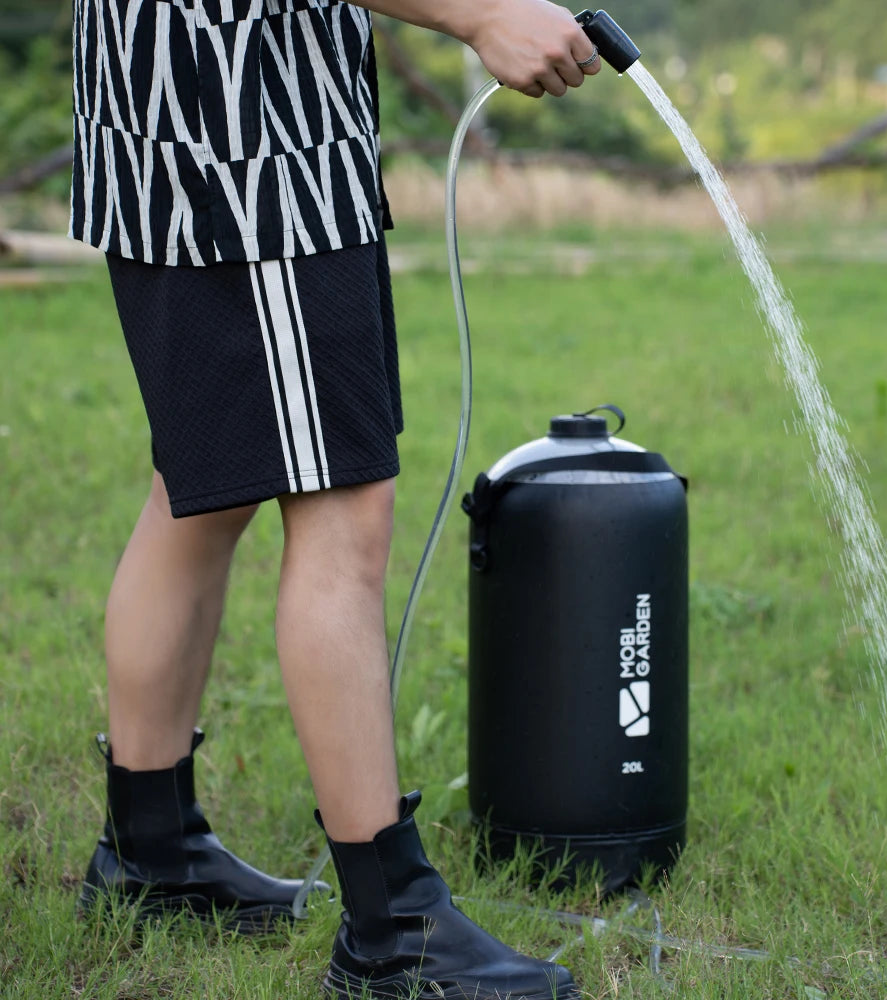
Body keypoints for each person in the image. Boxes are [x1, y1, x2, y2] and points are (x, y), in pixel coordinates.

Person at [69, 0, 601, 996]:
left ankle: (151, 853)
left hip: (175, 122)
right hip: (248, 144)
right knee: (341, 512)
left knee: (200, 491)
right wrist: (481, 13)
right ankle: (393, 932)